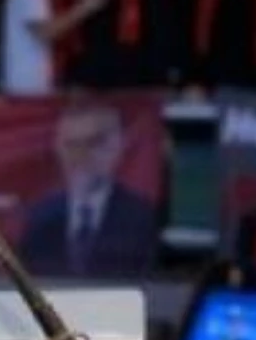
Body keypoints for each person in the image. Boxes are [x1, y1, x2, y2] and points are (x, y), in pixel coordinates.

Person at [18, 104, 158, 277]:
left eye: (93, 143)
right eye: (71, 145)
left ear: (117, 146)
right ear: (58, 148)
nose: (80, 155)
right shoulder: (40, 217)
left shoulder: (142, 217)